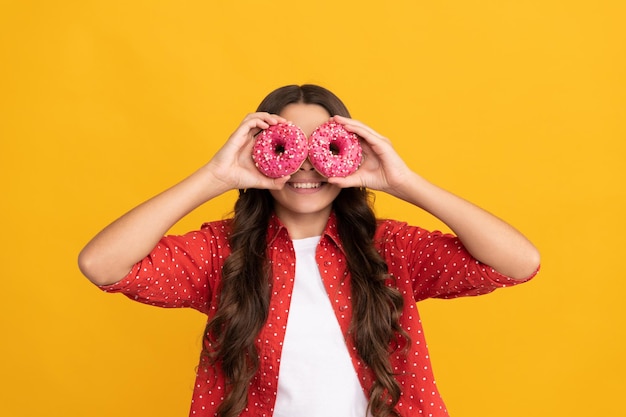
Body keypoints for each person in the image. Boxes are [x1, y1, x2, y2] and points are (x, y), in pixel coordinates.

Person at [78, 84, 540, 417]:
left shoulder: (392, 247)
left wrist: (405, 182)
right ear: (260, 152)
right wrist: (214, 177)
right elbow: (102, 264)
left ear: (350, 151)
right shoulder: (223, 251)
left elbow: (519, 263)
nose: (305, 166)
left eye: (324, 147)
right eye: (287, 146)